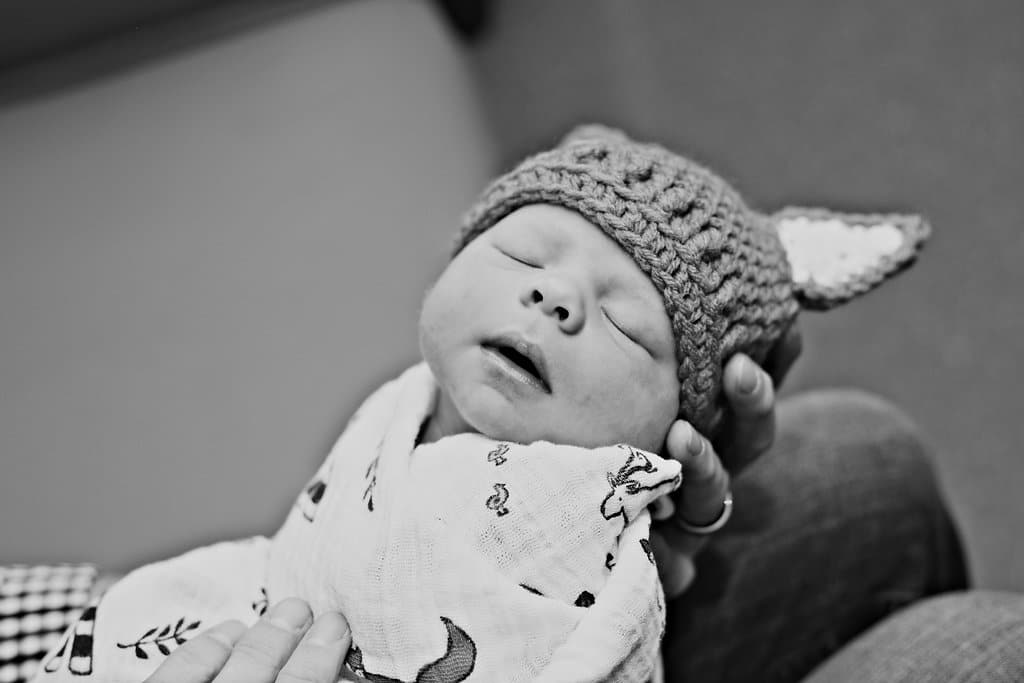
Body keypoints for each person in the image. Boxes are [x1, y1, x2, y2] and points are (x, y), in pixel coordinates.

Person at [32, 126, 1022, 683]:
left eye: (627, 328)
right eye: (522, 257)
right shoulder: (403, 414)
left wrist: (635, 525)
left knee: (873, 455)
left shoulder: (602, 494)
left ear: (668, 435)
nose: (555, 297)